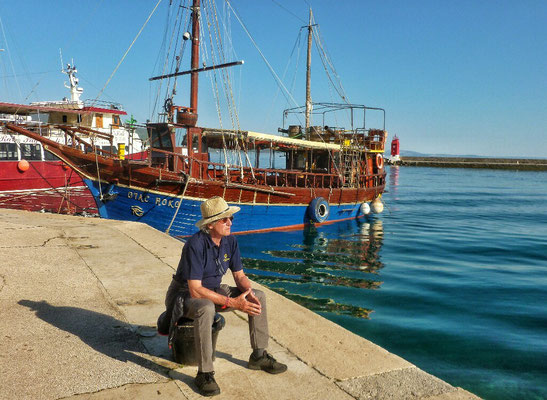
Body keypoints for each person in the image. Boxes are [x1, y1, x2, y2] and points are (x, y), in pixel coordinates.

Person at [161, 196, 287, 396]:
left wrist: (248, 293)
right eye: (224, 219)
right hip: (184, 296)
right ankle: (205, 373)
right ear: (210, 224)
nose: (230, 223)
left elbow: (239, 275)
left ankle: (259, 355)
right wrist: (233, 302)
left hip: (212, 290)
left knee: (259, 296)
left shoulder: (230, 241)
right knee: (206, 307)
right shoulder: (195, 245)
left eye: (231, 219)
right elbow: (195, 290)